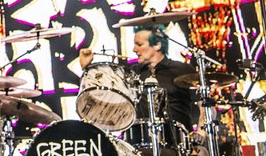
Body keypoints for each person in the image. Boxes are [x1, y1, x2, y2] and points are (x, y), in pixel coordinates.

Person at [79, 25, 206, 154]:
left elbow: (205, 104)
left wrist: (201, 132)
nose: (134, 49)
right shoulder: (131, 73)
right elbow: (102, 94)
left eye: (139, 44)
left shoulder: (182, 70)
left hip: (180, 145)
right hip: (137, 146)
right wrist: (86, 68)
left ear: (157, 45)